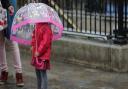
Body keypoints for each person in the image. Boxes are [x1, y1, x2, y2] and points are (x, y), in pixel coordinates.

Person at [0, 0, 24, 87]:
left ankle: (19, 73)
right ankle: (4, 71)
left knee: (13, 39)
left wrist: (8, 5)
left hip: (9, 3)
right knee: (0, 42)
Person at [31, 23, 53, 89]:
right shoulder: (37, 25)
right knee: (37, 73)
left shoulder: (46, 27)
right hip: (36, 54)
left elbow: (45, 42)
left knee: (43, 74)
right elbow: (34, 36)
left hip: (43, 55)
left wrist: (39, 51)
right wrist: (32, 45)